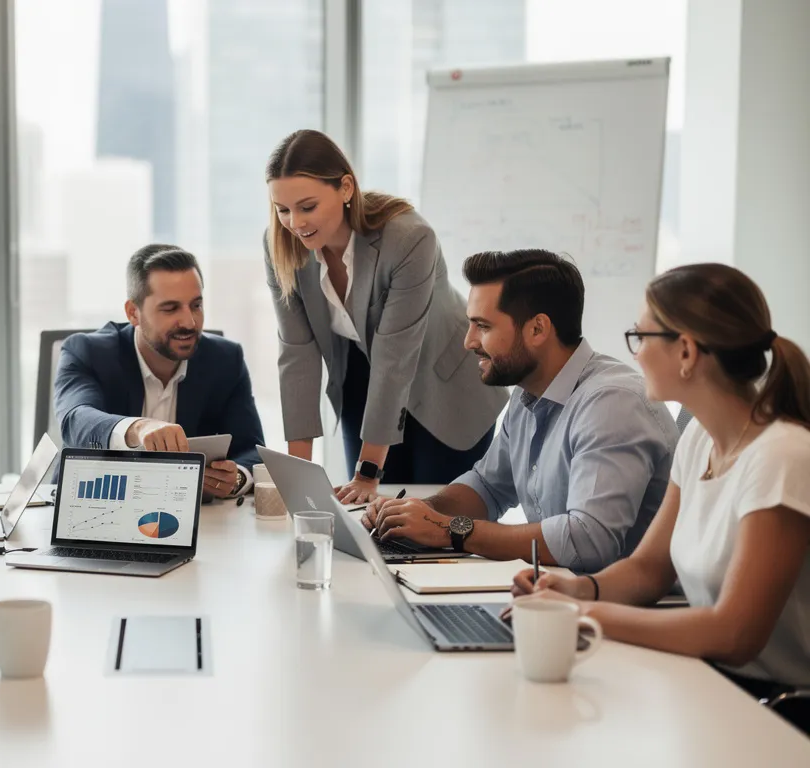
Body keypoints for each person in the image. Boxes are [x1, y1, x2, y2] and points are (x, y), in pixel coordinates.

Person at [510, 263, 810, 732]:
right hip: (713, 684)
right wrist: (577, 590)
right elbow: (649, 570)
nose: (636, 353)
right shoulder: (699, 441)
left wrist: (586, 615)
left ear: (686, 350)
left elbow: (735, 634)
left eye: (641, 336)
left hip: (780, 711)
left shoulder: (782, 457)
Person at [366, 250, 678, 570]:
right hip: (562, 593)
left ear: (538, 330)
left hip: (627, 608)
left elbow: (586, 542)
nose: (469, 341)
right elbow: (487, 486)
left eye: (482, 326)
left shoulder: (613, 404)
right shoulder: (529, 393)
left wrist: (449, 530)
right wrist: (412, 515)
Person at [264, 129, 506, 503]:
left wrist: (368, 473)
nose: (295, 222)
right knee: (369, 517)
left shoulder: (408, 238)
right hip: (363, 382)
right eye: (283, 210)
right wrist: (297, 482)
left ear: (346, 188)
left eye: (307, 206)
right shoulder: (280, 247)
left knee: (431, 524)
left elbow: (395, 358)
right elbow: (297, 357)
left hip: (443, 385)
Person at [55, 244, 266, 500]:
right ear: (133, 312)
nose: (189, 322)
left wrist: (236, 478)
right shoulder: (87, 352)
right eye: (170, 309)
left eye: (196, 305)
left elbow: (253, 449)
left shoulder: (225, 360)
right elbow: (75, 420)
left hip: (190, 518)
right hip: (95, 505)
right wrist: (138, 428)